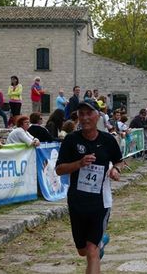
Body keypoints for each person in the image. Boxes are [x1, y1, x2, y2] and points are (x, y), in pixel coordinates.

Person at [55, 100, 124, 274]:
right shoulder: (71, 140)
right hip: (77, 202)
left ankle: (97, 243)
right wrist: (79, 163)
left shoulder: (108, 140)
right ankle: (102, 241)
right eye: (81, 114)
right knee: (82, 251)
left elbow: (119, 161)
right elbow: (59, 169)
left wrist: (115, 170)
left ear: (98, 115)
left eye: (89, 113)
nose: (85, 118)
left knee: (92, 251)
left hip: (100, 202)